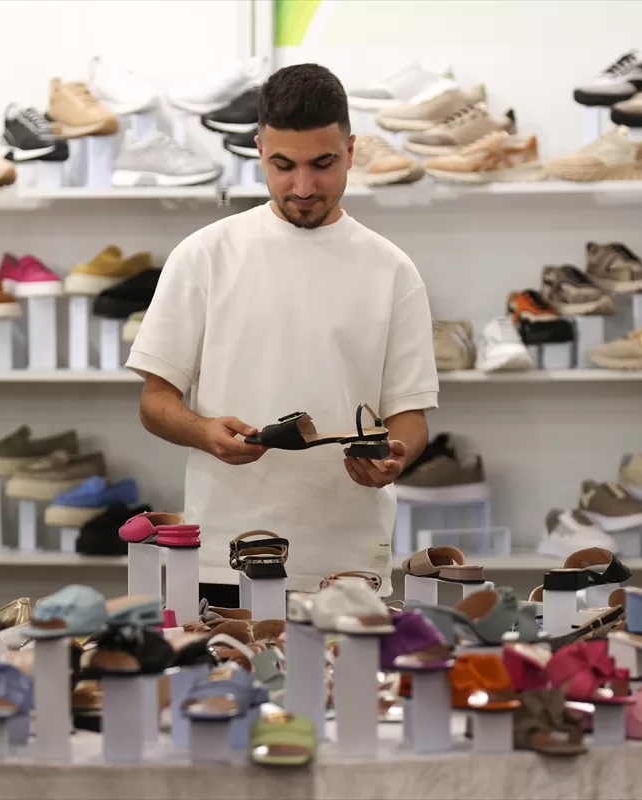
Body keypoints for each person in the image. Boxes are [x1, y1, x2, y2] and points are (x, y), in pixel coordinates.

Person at [125, 63, 438, 604]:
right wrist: (203, 431)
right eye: (283, 165)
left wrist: (395, 458)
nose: (303, 187)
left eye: (323, 164)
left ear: (351, 151)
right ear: (259, 150)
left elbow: (410, 414)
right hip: (224, 555)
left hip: (348, 559)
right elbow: (155, 402)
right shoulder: (204, 255)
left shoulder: (393, 270)